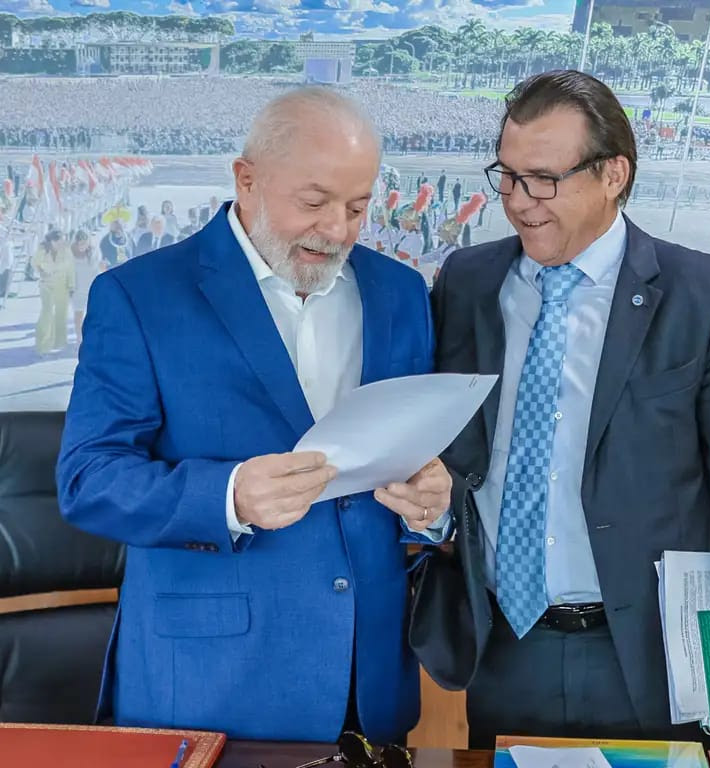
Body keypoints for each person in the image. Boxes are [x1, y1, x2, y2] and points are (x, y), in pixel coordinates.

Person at [410, 70, 710, 748]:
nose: (520, 203)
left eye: (544, 180)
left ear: (613, 174)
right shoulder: (468, 284)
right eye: (508, 177)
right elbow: (458, 454)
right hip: (505, 648)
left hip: (656, 658)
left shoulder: (708, 298)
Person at [56, 87, 452, 744]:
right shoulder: (139, 296)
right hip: (212, 685)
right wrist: (230, 495)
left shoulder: (402, 292)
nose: (338, 230)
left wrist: (432, 506)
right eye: (314, 203)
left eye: (357, 207)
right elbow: (88, 480)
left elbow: (417, 453)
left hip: (369, 681)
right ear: (247, 180)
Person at [31, 228, 74, 355]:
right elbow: (34, 263)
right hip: (47, 285)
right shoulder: (42, 250)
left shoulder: (66, 250)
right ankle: (42, 344)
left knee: (61, 313)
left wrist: (72, 285)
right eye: (58, 242)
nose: (61, 244)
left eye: (62, 241)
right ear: (51, 241)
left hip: (62, 285)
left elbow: (71, 268)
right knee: (47, 313)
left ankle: (59, 341)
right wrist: (41, 272)